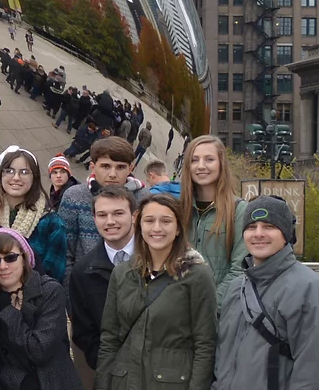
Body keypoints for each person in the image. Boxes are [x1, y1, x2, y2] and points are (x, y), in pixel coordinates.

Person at [212, 196, 319, 390]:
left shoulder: (311, 289)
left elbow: (317, 375)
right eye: (251, 227)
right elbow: (222, 359)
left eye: (269, 226)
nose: (258, 234)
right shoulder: (236, 287)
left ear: (286, 234)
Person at [96, 193, 216, 390]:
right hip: (124, 381)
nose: (157, 228)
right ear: (139, 225)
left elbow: (205, 344)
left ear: (178, 228)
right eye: (149, 220)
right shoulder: (123, 273)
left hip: (172, 383)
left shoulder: (196, 275)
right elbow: (110, 338)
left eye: (166, 221)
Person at [0, 228, 78, 390]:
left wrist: (7, 310)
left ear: (24, 258)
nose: (3, 266)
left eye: (10, 258)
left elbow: (39, 349)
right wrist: (18, 380)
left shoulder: (49, 291)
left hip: (54, 383)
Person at [67, 184, 136, 381]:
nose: (110, 221)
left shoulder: (156, 260)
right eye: (102, 215)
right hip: (113, 374)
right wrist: (108, 366)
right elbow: (83, 333)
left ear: (134, 216)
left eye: (118, 213)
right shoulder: (82, 272)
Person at [179, 135, 249, 307]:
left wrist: (208, 306)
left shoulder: (239, 210)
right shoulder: (177, 210)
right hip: (179, 312)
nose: (201, 166)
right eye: (194, 160)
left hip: (220, 313)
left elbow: (240, 268)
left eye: (209, 159)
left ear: (221, 164)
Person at [60, 137, 143, 272]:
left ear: (130, 168)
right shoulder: (74, 196)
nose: (112, 174)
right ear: (93, 167)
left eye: (120, 167)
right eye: (105, 166)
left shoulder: (143, 198)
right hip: (86, 282)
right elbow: (65, 252)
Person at [0, 146, 69, 281]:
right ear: (1, 175)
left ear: (34, 177)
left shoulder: (52, 223)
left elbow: (52, 279)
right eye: (9, 171)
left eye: (24, 172)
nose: (16, 178)